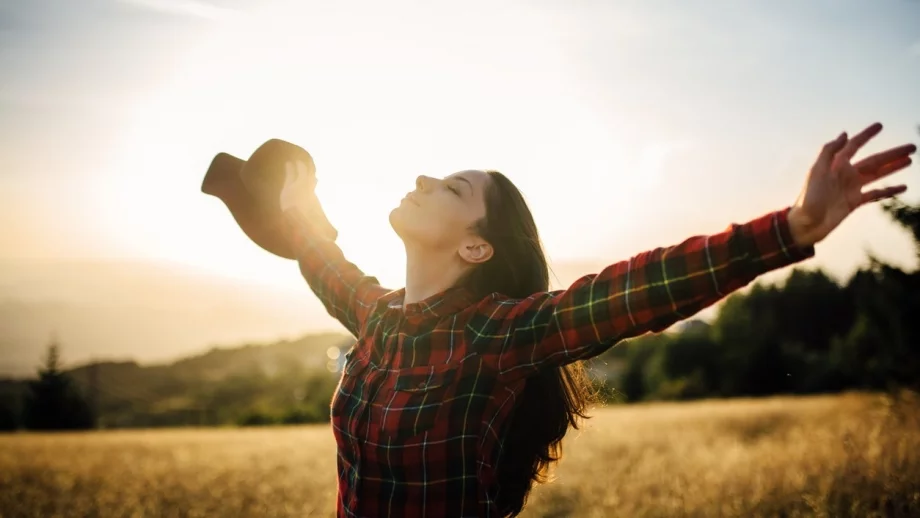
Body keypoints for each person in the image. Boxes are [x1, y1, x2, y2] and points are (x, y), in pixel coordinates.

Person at [278, 122, 914, 518]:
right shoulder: (378, 317)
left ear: (476, 248)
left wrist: (790, 228)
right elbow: (323, 261)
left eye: (452, 189)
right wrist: (297, 207)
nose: (423, 177)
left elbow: (632, 290)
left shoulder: (498, 333)